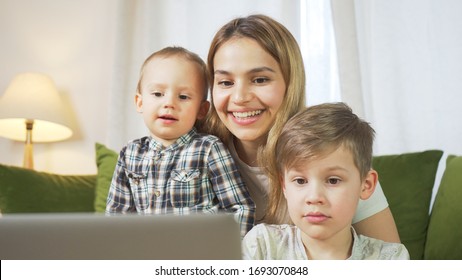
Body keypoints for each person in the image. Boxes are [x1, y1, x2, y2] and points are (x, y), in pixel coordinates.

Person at [201, 14, 400, 242]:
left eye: (260, 80)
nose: (239, 97)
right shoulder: (194, 152)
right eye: (226, 82)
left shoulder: (330, 148)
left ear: (290, 83)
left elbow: (390, 259)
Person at [106, 46, 255, 237]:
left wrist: (227, 255)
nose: (169, 103)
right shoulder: (130, 154)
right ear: (140, 102)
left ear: (202, 110)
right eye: (158, 94)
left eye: (183, 97)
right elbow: (116, 217)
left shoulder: (208, 148)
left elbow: (240, 208)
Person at [242, 102, 409, 259]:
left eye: (333, 181)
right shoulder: (262, 246)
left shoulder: (390, 258)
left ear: (366, 185)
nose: (314, 197)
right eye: (300, 181)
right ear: (284, 184)